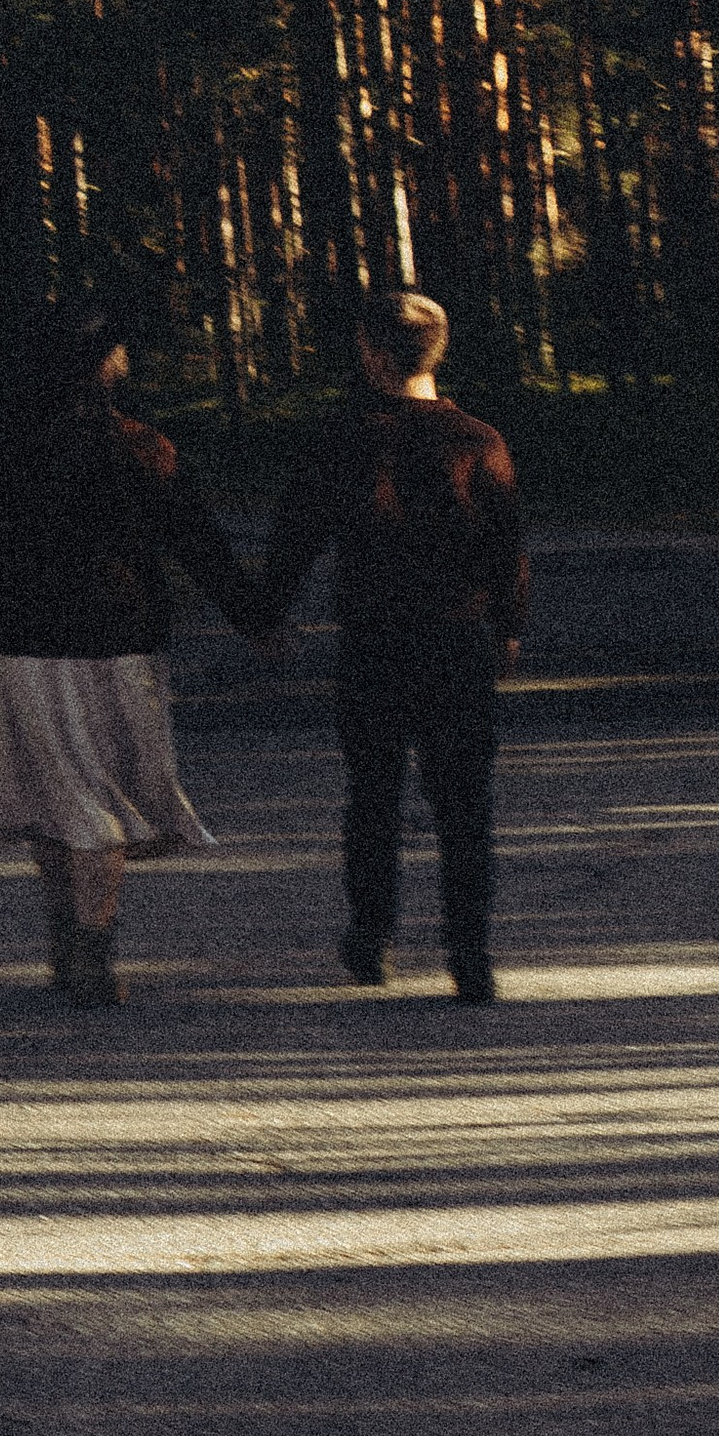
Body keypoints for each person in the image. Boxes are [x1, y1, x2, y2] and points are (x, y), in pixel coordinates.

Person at [0, 306, 260, 1008]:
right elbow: (195, 541)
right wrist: (253, 615)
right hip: (118, 643)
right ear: (98, 364)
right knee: (102, 797)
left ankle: (68, 938)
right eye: (118, 351)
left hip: (26, 644)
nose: (127, 361)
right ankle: (92, 944)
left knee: (55, 791)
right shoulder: (140, 447)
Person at [252, 288, 528, 1004]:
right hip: (456, 641)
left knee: (372, 794)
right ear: (438, 351)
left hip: (373, 644)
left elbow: (296, 537)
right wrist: (508, 626)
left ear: (371, 352)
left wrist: (266, 614)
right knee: (464, 802)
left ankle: (371, 938)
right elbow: (506, 545)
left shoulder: (341, 439)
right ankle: (470, 953)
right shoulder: (477, 439)